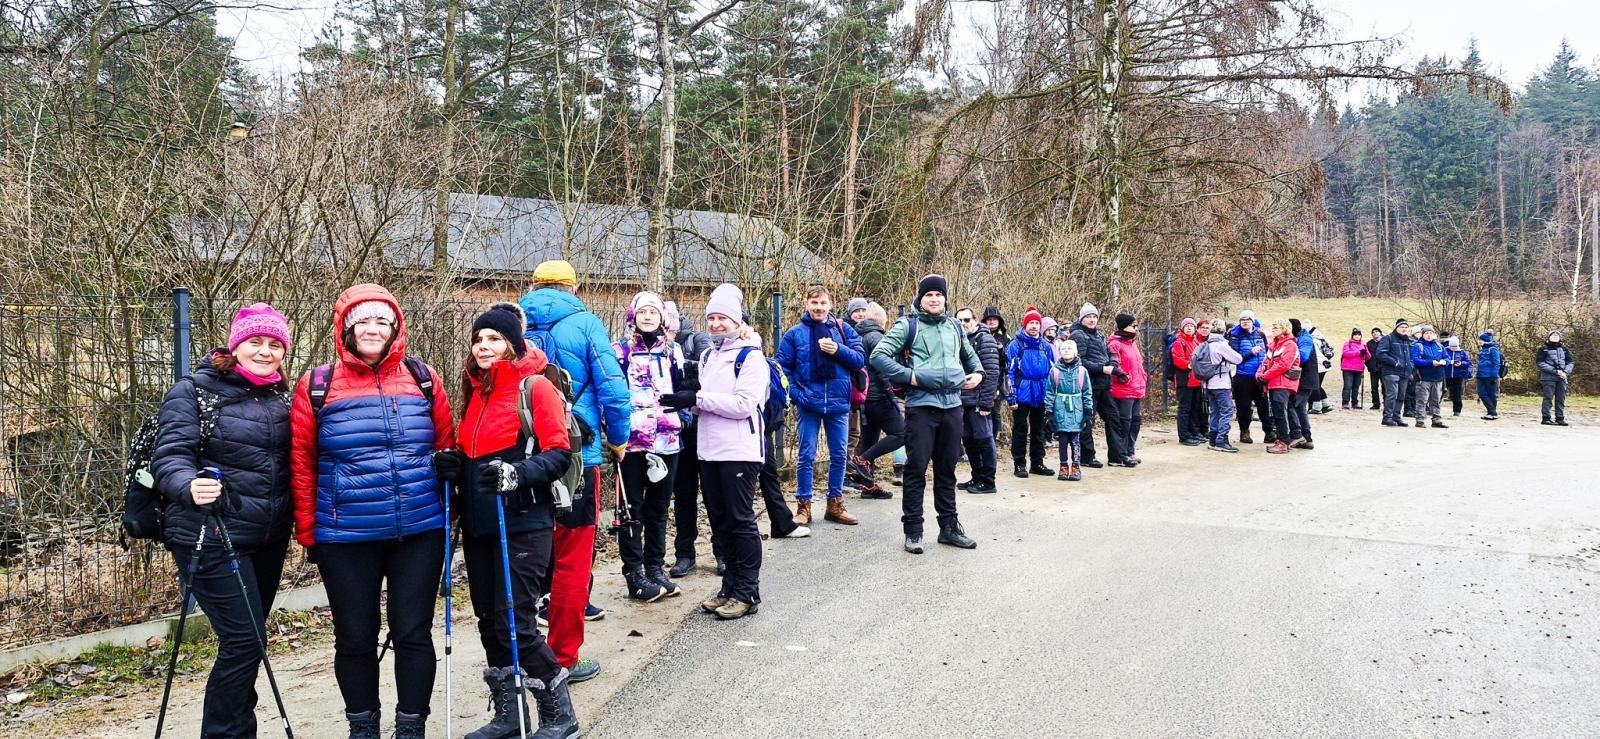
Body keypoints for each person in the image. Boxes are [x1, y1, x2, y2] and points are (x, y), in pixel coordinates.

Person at [289, 285, 456, 737]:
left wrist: (451, 493)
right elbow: (302, 464)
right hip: (345, 536)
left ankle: (411, 726)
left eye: (382, 321)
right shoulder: (317, 385)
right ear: (345, 327)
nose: (372, 329)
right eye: (362, 320)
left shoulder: (424, 378)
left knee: (412, 634)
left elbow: (446, 445)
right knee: (355, 638)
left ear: (396, 328)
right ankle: (362, 727)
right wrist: (310, 534)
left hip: (419, 529)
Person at [151, 303, 293, 738]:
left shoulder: (280, 396)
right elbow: (170, 454)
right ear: (235, 345)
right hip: (209, 532)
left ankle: (237, 728)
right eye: (256, 342)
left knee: (248, 644)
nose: (265, 352)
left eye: (275, 344)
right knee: (245, 642)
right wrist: (187, 484)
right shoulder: (194, 391)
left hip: (266, 536)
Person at [453, 303, 580, 739]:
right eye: (479, 339)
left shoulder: (534, 388)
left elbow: (558, 453)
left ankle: (560, 715)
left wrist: (516, 474)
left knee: (517, 624)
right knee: (489, 623)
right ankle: (511, 715)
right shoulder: (475, 391)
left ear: (513, 343)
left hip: (524, 521)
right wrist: (454, 465)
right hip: (482, 524)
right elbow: (472, 453)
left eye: (494, 339)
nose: (485, 346)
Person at [517, 259, 631, 684]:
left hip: (525, 455)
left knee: (525, 555)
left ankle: (521, 654)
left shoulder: (512, 322)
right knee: (572, 558)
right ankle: (563, 658)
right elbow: (614, 390)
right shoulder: (585, 324)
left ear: (534, 285)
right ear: (573, 286)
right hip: (576, 452)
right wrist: (618, 440)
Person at [870, 274, 983, 554]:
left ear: (945, 299)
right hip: (921, 408)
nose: (934, 299)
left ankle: (949, 529)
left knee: (947, 471)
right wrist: (911, 377)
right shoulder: (908, 325)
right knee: (916, 470)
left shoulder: (955, 326)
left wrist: (978, 374)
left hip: (953, 406)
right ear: (920, 299)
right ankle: (914, 531)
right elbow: (878, 356)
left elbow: (970, 357)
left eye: (939, 295)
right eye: (929, 295)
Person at [694, 284, 769, 620]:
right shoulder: (709, 356)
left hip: (739, 450)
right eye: (711, 318)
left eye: (722, 317)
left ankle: (747, 591)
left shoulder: (750, 357)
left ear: (737, 320)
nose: (716, 324)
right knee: (720, 520)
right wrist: (686, 401)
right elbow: (705, 402)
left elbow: (743, 405)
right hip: (709, 450)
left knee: (740, 520)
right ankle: (729, 585)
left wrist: (697, 400)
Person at [611, 291, 690, 603]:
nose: (647, 317)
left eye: (653, 313)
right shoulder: (620, 351)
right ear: (633, 316)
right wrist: (614, 434)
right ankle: (634, 572)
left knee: (659, 507)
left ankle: (655, 567)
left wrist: (682, 417)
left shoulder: (673, 352)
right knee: (632, 509)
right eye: (642, 312)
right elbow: (613, 395)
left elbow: (685, 386)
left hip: (667, 441)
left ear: (662, 318)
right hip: (631, 444)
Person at [776, 286, 866, 526]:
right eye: (814, 303)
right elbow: (781, 369)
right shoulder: (794, 334)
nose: (818, 307)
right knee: (806, 456)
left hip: (838, 403)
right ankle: (803, 507)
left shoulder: (843, 330)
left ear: (830, 304)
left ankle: (834, 505)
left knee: (839, 455)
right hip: (808, 404)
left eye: (823, 303)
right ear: (807, 304)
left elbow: (860, 359)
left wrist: (838, 350)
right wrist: (796, 395)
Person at [665, 301, 713, 578]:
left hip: (704, 429)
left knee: (713, 495)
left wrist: (685, 374)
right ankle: (684, 553)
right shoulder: (652, 350)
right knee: (683, 496)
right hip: (676, 432)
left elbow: (710, 375)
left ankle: (722, 552)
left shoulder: (698, 340)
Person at [850, 301, 903, 499]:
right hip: (878, 396)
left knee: (870, 440)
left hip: (863, 397)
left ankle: (868, 486)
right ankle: (862, 460)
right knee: (900, 434)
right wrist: (892, 395)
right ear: (882, 321)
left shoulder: (857, 335)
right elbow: (883, 369)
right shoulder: (878, 337)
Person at [1068, 303, 1127, 467]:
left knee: (1114, 418)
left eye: (1094, 316)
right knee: (1087, 421)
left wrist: (1114, 366)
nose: (1092, 319)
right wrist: (1102, 368)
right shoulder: (1077, 335)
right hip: (1087, 386)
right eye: (1088, 317)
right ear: (1082, 319)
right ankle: (1086, 457)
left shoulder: (1100, 334)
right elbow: (1078, 361)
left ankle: (1117, 456)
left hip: (1104, 385)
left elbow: (1110, 353)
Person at [956, 307, 1002, 494]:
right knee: (969, 440)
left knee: (984, 439)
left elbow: (992, 373)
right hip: (962, 399)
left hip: (979, 399)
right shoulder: (958, 340)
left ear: (975, 320)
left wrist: (986, 403)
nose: (963, 324)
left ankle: (988, 481)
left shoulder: (985, 339)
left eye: (967, 320)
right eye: (959, 321)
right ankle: (977, 477)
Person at [1006, 307, 1055, 477]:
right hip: (1022, 391)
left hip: (1041, 391)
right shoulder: (1015, 345)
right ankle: (1019, 464)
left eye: (1037, 323)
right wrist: (1011, 396)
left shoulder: (1045, 346)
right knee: (1020, 429)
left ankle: (1037, 463)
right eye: (1031, 323)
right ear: (1025, 325)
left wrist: (1052, 394)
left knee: (1039, 429)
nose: (1034, 326)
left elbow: (1052, 371)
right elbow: (1009, 372)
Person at [1044, 338, 1092, 480]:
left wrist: (1088, 412)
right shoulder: (1055, 371)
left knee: (1076, 440)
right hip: (1061, 409)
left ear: (1075, 352)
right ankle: (1063, 466)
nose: (1066, 351)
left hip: (1077, 409)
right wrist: (1049, 412)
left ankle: (1076, 466)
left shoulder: (1082, 371)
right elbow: (1050, 392)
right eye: (1063, 349)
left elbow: (1087, 392)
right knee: (1063, 440)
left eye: (1069, 349)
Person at [1106, 313, 1147, 465]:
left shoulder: (1132, 343)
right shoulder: (1115, 344)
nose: (1136, 329)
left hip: (1136, 388)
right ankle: (1120, 454)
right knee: (1124, 422)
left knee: (1135, 421)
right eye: (1133, 326)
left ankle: (1130, 450)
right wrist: (1122, 376)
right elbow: (1114, 365)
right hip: (1123, 390)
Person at [1199, 318, 1244, 452]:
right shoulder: (1221, 344)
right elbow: (1238, 359)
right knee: (1227, 411)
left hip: (1208, 383)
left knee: (1215, 411)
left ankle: (1213, 439)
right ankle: (1221, 440)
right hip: (1221, 383)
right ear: (1223, 330)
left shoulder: (1205, 344)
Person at [1255, 318, 1300, 454]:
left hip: (1282, 383)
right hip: (1274, 383)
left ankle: (1283, 441)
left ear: (1284, 329)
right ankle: (1287, 438)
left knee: (1280, 412)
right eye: (1273, 327)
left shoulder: (1290, 345)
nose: (1273, 330)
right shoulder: (1273, 346)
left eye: (1276, 328)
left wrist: (1265, 376)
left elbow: (1283, 365)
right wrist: (1258, 374)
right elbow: (1265, 362)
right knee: (1279, 411)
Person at [1228, 310, 1272, 444]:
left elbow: (1267, 352)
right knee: (1244, 407)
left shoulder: (1260, 334)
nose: (1245, 322)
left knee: (1264, 405)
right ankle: (1244, 432)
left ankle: (1269, 432)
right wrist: (1251, 353)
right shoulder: (1235, 336)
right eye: (1242, 320)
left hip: (1260, 377)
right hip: (1243, 377)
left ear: (1253, 321)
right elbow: (1234, 357)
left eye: (1248, 320)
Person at [1169, 318, 1205, 445]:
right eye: (1187, 326)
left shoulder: (1195, 341)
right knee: (1184, 408)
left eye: (1192, 326)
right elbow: (1178, 360)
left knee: (1194, 408)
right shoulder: (1179, 342)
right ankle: (1184, 435)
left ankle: (1194, 432)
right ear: (1182, 328)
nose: (1189, 328)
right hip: (1185, 380)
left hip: (1196, 380)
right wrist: (1191, 365)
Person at [1375, 319, 1413, 428]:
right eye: (1402, 327)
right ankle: (1387, 418)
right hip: (1391, 371)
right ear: (1396, 328)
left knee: (1401, 395)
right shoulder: (1388, 338)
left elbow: (1411, 356)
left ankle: (1396, 417)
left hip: (1404, 372)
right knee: (1392, 394)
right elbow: (1380, 354)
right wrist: (1395, 363)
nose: (1404, 329)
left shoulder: (1408, 341)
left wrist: (1410, 366)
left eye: (1406, 327)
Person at [1410, 325, 1449, 429]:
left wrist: (1444, 362)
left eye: (1430, 333)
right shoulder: (1417, 346)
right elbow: (1415, 360)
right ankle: (1420, 420)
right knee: (1422, 400)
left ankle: (1436, 420)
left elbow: (1447, 358)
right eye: (1426, 333)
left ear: (1434, 335)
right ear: (1422, 335)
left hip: (1438, 377)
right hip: (1423, 378)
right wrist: (1430, 362)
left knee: (1436, 400)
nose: (1428, 335)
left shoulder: (1440, 346)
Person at [982, 306, 1011, 439]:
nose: (992, 322)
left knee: (995, 410)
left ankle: (993, 439)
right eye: (989, 319)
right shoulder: (979, 335)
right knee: (981, 410)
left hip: (999, 378)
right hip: (981, 376)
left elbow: (1010, 360)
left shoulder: (1005, 338)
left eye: (994, 319)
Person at [1288, 319, 1315, 448]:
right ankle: (1307, 438)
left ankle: (1297, 435)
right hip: (1301, 378)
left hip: (1305, 379)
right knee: (1300, 408)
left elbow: (1303, 356)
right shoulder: (1299, 337)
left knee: (1292, 405)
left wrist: (1286, 354)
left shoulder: (1305, 339)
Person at [1537, 330, 1574, 426]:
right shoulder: (1543, 349)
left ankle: (1560, 418)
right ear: (1548, 337)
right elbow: (1540, 363)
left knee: (1561, 399)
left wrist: (1565, 372)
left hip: (1562, 378)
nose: (1555, 337)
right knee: (1548, 398)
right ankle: (1546, 418)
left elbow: (1570, 362)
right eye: (1553, 335)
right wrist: (1555, 371)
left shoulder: (1564, 349)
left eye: (1557, 335)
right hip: (1548, 378)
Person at [1476, 330, 1505, 420]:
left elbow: (1496, 363)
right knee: (1482, 393)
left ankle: (1492, 412)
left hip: (1490, 376)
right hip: (1481, 375)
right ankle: (1491, 411)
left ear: (1485, 340)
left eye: (1481, 340)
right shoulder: (1483, 350)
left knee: (1491, 394)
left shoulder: (1493, 349)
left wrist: (1494, 375)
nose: (1479, 341)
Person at [1340, 328, 1371, 410]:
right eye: (1355, 335)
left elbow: (1368, 357)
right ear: (1352, 336)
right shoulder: (1348, 343)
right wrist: (1358, 352)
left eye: (1359, 335)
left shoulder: (1363, 344)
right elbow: (1346, 353)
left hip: (1359, 368)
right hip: (1348, 368)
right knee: (1348, 386)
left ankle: (1355, 402)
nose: (1357, 336)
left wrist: (1366, 352)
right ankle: (1345, 402)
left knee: (1356, 387)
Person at [1444, 336, 1474, 418]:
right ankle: (1434, 408)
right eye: (1452, 346)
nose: (1453, 348)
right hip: (1446, 375)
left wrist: (1461, 363)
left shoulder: (1462, 352)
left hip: (1458, 376)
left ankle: (1457, 410)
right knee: (1441, 391)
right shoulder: (1445, 351)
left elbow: (1468, 362)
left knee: (1456, 394)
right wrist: (1450, 362)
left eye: (1455, 346)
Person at [1365, 326, 1384, 411]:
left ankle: (1387, 403)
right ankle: (1376, 403)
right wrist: (1369, 365)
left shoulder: (1385, 342)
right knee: (1374, 387)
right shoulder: (1369, 343)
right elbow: (1366, 356)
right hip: (1373, 369)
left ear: (1380, 333)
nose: (1375, 333)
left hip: (1383, 369)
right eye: (1373, 332)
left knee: (1385, 387)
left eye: (1377, 331)